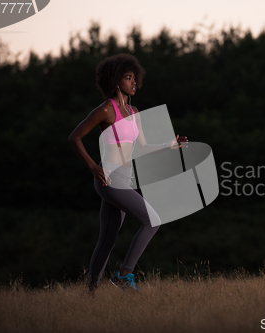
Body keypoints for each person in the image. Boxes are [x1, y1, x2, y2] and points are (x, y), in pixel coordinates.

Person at [68, 53, 187, 293]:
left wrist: (169, 145)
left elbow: (141, 147)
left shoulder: (133, 112)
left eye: (135, 77)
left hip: (125, 177)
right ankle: (124, 275)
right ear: (114, 81)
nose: (134, 82)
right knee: (153, 220)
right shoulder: (105, 111)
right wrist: (93, 167)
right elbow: (74, 137)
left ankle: (89, 294)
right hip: (109, 178)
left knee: (108, 240)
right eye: (128, 77)